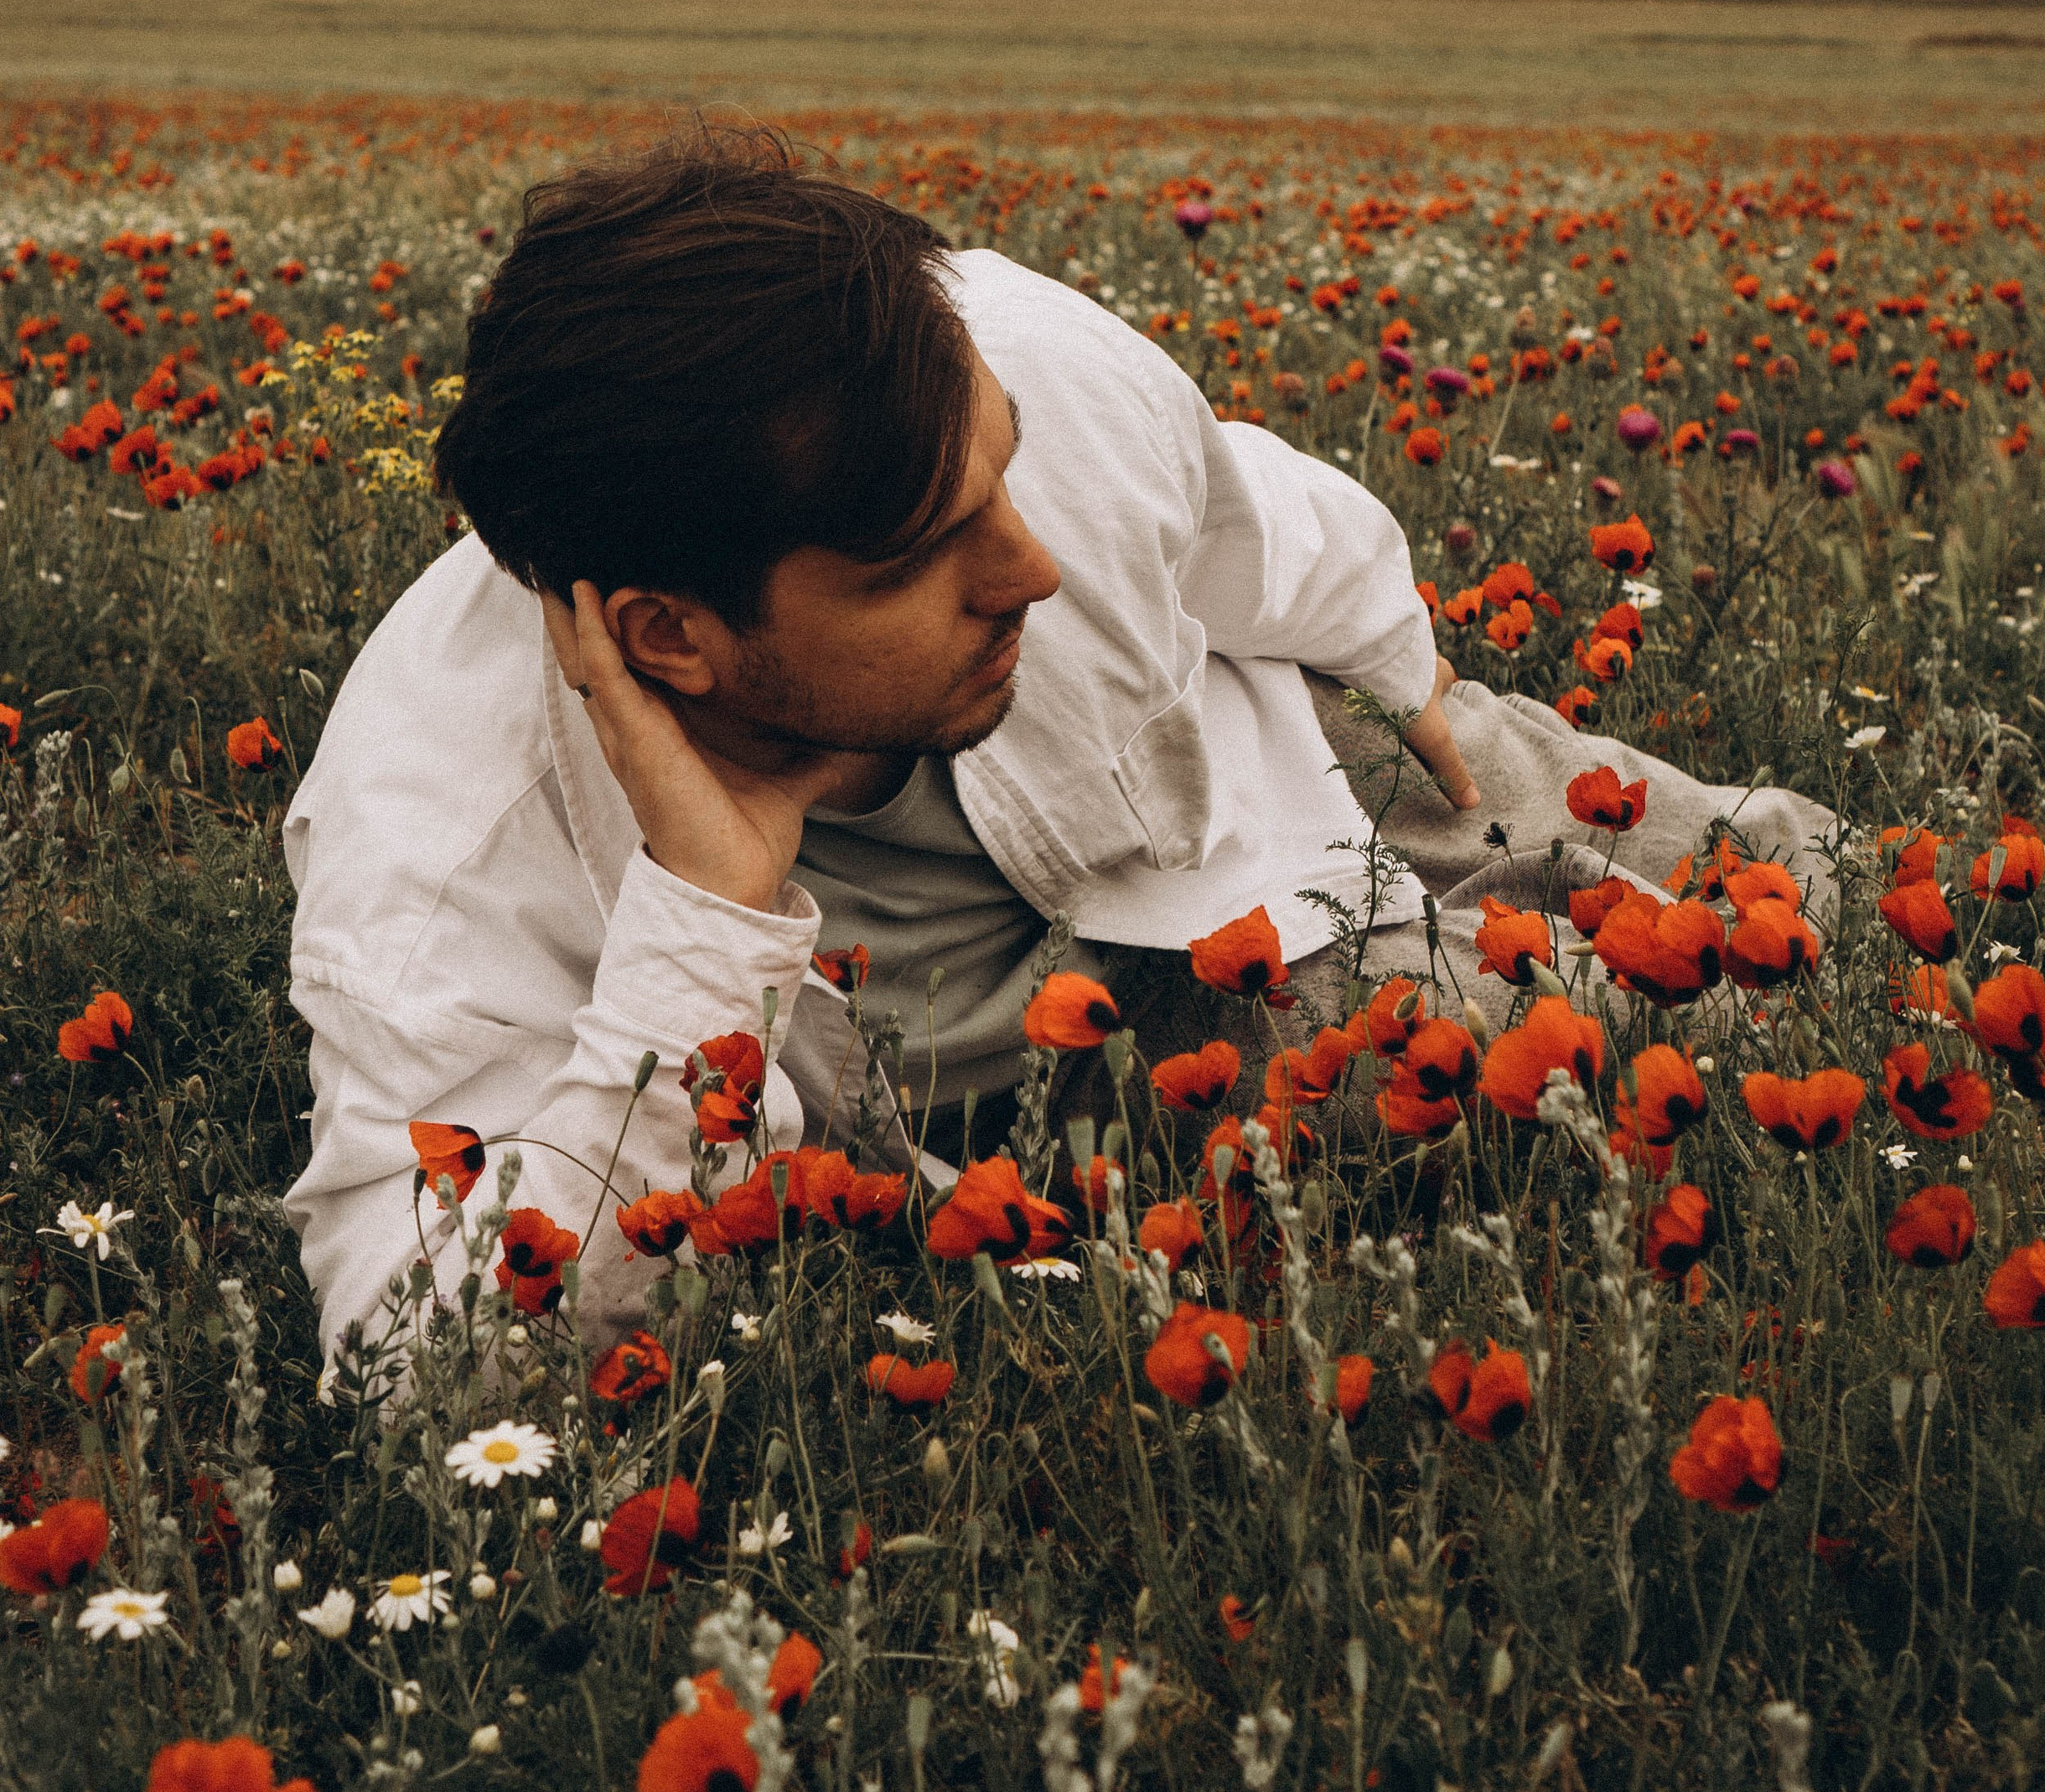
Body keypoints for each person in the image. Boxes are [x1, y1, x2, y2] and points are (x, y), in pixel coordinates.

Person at [282, 129, 1830, 1366]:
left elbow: (1237, 509)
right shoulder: (446, 852)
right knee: (1651, 1022)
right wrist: (705, 922)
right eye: (919, 556)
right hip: (1129, 1045)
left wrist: (1407, 671)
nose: (1033, 568)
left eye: (1007, 477)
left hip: (1246, 769)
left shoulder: (1007, 363)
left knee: (1813, 880)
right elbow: (429, 1365)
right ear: (669, 637)